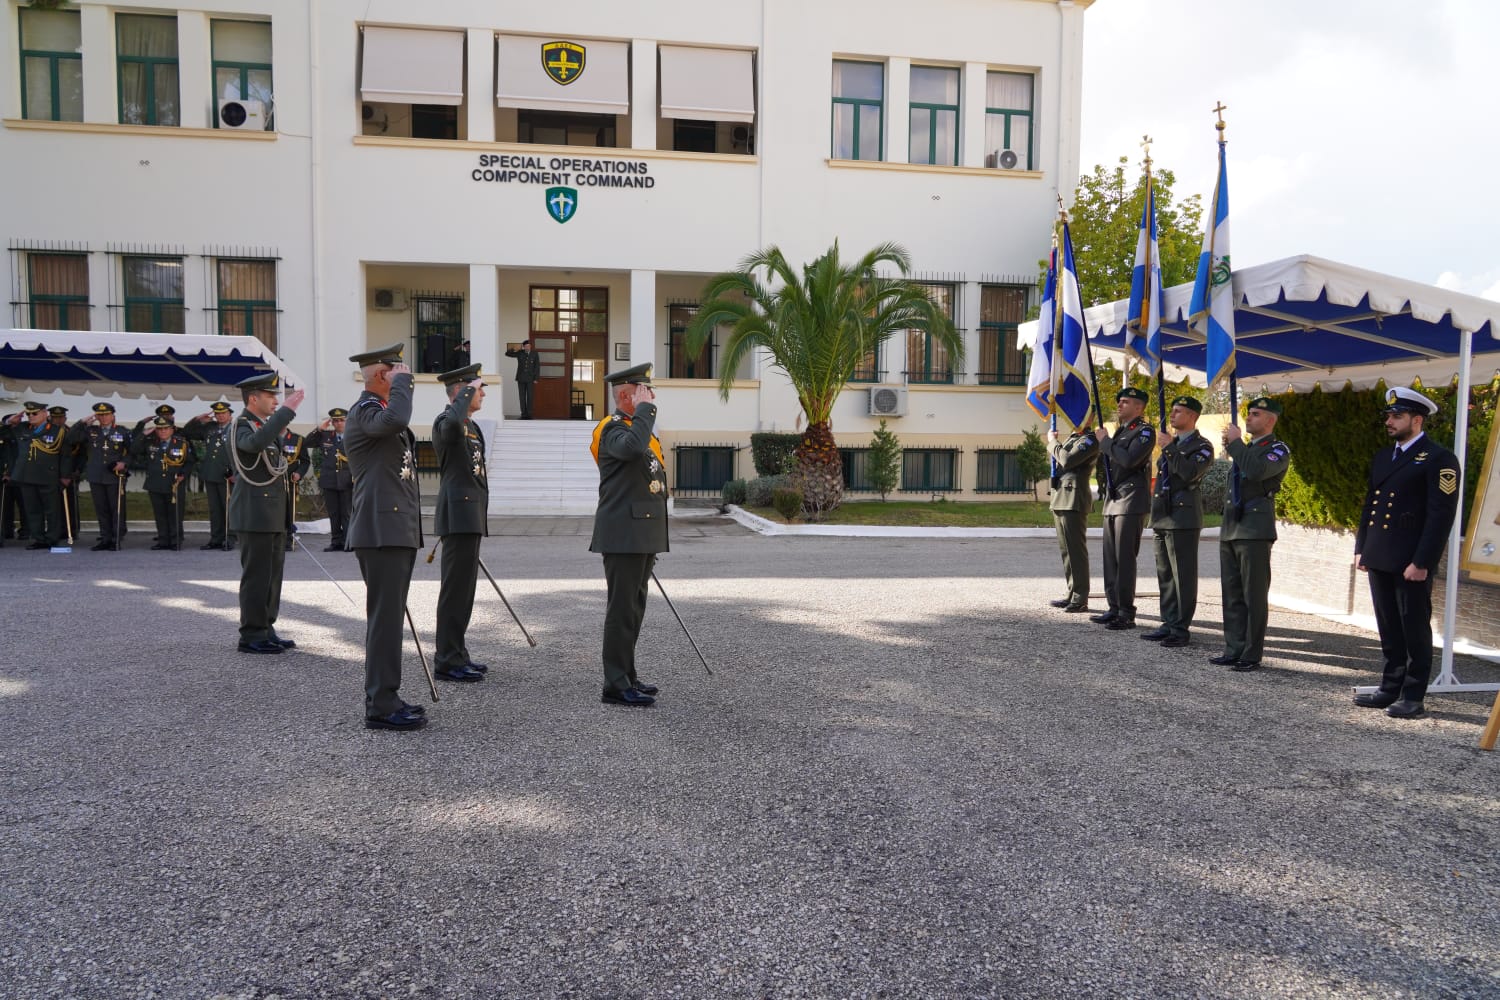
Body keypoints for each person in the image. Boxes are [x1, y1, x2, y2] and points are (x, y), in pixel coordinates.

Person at [1351, 387, 1462, 718]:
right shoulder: (1384, 456)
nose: (1389, 421)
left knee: (1414, 629)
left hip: (1410, 560)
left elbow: (1441, 516)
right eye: (1388, 416)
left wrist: (1423, 561)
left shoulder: (1439, 458)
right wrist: (1362, 548)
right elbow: (1370, 504)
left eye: (1397, 416)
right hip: (1380, 555)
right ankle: (1389, 688)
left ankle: (1413, 696)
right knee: (1388, 627)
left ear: (1417, 420)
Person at [345, 342, 428, 731]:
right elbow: (394, 420)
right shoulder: (366, 410)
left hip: (394, 529)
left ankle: (387, 695)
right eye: (398, 370)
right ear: (382, 375)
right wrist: (403, 385)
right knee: (384, 620)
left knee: (390, 619)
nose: (406, 374)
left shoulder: (377, 411)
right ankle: (380, 704)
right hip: (381, 531)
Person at [589, 363, 668, 707]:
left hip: (639, 533)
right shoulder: (612, 429)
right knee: (621, 611)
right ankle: (615, 685)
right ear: (625, 395)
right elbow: (632, 450)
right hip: (623, 534)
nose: (651, 398)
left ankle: (627, 675)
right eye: (644, 392)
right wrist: (645, 411)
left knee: (634, 610)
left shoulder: (636, 429)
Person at [1214, 396, 1291, 673]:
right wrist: (1236, 445)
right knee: (1232, 593)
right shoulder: (1246, 449)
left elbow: (1257, 472)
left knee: (1253, 594)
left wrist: (1235, 443)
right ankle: (1233, 648)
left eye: (1256, 414)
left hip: (1254, 529)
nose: (1248, 417)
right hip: (1232, 527)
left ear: (1270, 420)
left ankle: (1251, 653)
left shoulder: (1277, 450)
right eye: (1249, 413)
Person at [228, 372, 305, 654]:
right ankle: (251, 634)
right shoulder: (241, 426)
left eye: (276, 396)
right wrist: (286, 412)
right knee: (257, 577)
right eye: (270, 395)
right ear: (253, 398)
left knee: (272, 577)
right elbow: (253, 444)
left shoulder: (262, 427)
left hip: (271, 514)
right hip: (254, 513)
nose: (275, 400)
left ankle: (266, 627)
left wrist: (286, 518)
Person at [1141, 396, 1215, 648]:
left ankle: (1180, 628)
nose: (1172, 415)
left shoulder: (1202, 446)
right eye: (1171, 411)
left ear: (1192, 416)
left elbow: (1188, 473)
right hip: (1163, 515)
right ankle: (1168, 622)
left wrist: (1170, 448)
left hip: (1182, 518)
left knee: (1182, 575)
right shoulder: (1173, 443)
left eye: (1178, 411)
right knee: (1165, 575)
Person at [432, 363, 489, 684]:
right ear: (461, 391)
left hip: (470, 516)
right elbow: (452, 427)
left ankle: (458, 653)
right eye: (477, 389)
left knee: (465, 592)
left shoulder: (471, 425)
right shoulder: (447, 421)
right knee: (454, 592)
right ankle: (446, 660)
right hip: (457, 517)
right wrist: (465, 394)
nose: (482, 395)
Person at [1090, 387, 1155, 631]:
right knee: (1110, 558)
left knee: (1124, 558)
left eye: (1125, 401)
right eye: (1119, 401)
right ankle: (1114, 607)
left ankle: (1127, 612)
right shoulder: (1121, 431)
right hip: (1114, 498)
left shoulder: (1144, 431)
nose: (1119, 404)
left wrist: (1106, 442)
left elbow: (1129, 460)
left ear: (1139, 407)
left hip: (1131, 499)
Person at [1046, 414, 1098, 613]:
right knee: (1066, 551)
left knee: (1076, 550)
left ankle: (1080, 597)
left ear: (1090, 418)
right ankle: (1072, 592)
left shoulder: (1090, 440)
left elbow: (1067, 460)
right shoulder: (1074, 438)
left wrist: (1052, 442)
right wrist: (1056, 444)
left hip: (1074, 499)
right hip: (1061, 497)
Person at [65, 402, 133, 551]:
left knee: (116, 508)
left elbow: (132, 452)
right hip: (96, 475)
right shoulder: (90, 431)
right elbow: (71, 438)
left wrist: (124, 463)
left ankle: (116, 538)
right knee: (101, 508)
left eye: (106, 414)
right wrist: (82, 423)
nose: (103, 417)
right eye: (100, 415)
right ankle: (105, 538)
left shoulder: (122, 432)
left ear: (112, 415)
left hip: (114, 475)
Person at [3, 401, 70, 549]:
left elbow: (65, 455)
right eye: (28, 414)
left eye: (34, 413)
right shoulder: (21, 428)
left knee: (52, 510)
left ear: (44, 414)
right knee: (32, 510)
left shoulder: (57, 431)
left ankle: (52, 538)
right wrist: (9, 422)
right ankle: (38, 538)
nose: (31, 416)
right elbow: (3, 434)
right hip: (26, 476)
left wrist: (65, 476)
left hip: (48, 475)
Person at [132, 415, 195, 550]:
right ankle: (163, 540)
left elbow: (189, 462)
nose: (163, 431)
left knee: (175, 513)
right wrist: (143, 435)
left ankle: (175, 540)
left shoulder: (182, 443)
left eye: (166, 428)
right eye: (160, 429)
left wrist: (183, 474)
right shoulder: (150, 443)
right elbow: (134, 449)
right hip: (155, 483)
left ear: (172, 429)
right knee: (160, 514)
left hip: (174, 483)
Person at [184, 402, 237, 551]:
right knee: (215, 509)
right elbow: (187, 432)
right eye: (217, 413)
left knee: (228, 508)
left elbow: (242, 453)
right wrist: (197, 419)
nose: (220, 416)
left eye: (223, 413)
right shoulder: (209, 427)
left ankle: (230, 538)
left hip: (227, 475)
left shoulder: (236, 429)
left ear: (230, 415)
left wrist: (235, 472)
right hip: (211, 472)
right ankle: (216, 538)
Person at [305, 408, 353, 551]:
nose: (338, 423)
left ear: (347, 421)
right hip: (329, 480)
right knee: (333, 513)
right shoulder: (326, 436)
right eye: (335, 421)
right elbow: (307, 442)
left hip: (347, 480)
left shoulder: (354, 436)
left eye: (341, 420)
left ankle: (348, 542)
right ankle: (336, 541)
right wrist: (319, 429)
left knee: (346, 513)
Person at [50, 406, 83, 542]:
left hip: (69, 473)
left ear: (65, 418)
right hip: (51, 473)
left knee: (70, 503)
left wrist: (78, 470)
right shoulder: (46, 433)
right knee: (53, 504)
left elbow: (81, 454)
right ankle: (56, 530)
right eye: (55, 418)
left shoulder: (71, 433)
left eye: (60, 418)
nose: (58, 420)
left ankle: (72, 530)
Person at [279, 426, 309, 551]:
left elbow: (305, 461)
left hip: (290, 480)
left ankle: (288, 539)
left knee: (289, 510)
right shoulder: (268, 437)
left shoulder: (298, 439)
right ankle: (275, 539)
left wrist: (299, 473)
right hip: (271, 481)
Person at [505, 340, 540, 419]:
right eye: (526, 346)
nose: (528, 347)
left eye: (529, 346)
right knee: (522, 397)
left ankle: (529, 414)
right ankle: (523, 414)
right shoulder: (520, 353)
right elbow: (507, 354)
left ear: (530, 346)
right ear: (523, 347)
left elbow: (537, 366)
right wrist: (514, 349)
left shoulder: (534, 354)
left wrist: (536, 378)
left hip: (530, 379)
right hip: (521, 378)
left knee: (530, 396)